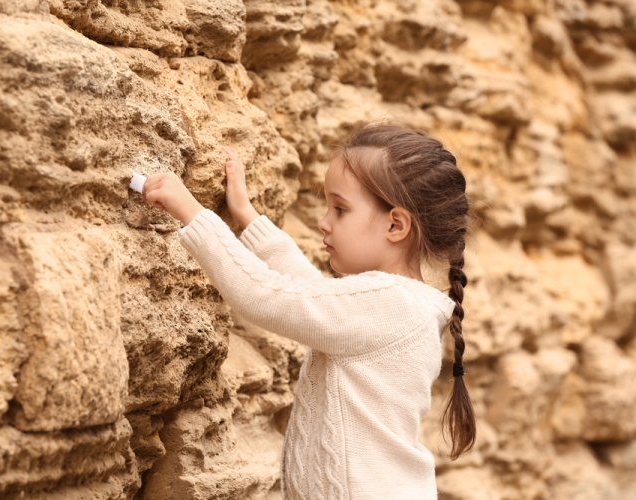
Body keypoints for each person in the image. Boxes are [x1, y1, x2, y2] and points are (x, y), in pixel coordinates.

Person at [140, 123, 476, 499]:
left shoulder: (391, 304)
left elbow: (266, 297)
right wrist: (248, 219)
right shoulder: (393, 304)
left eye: (340, 209)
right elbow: (312, 295)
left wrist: (192, 212)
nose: (323, 222)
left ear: (395, 224)